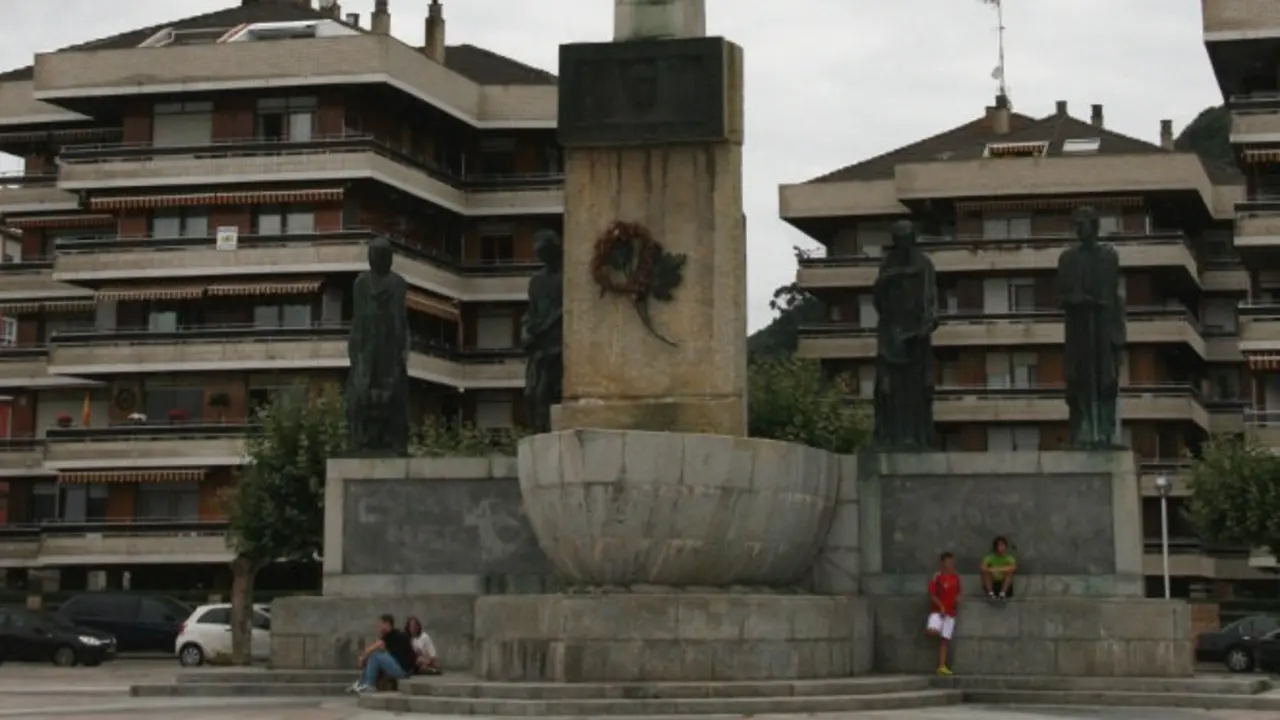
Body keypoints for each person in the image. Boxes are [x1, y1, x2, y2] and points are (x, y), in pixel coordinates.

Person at [347, 613, 416, 694]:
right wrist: (364, 658)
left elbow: (375, 647)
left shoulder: (399, 635)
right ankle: (362, 683)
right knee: (373, 656)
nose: (379, 628)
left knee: (376, 655)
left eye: (380, 625)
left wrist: (363, 657)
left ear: (387, 624)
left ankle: (369, 684)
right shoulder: (386, 637)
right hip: (395, 667)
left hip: (402, 671)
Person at [926, 551, 961, 676]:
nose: (950, 564)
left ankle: (942, 666)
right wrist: (941, 606)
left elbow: (959, 592)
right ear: (943, 563)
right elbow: (932, 594)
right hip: (937, 611)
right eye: (948, 561)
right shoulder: (937, 577)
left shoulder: (956, 577)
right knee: (932, 630)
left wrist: (958, 599)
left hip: (950, 613)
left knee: (945, 640)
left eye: (952, 561)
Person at [981, 535, 1017, 600]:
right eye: (1000, 545)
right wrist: (991, 570)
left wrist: (999, 569)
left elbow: (1014, 567)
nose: (1002, 548)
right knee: (986, 573)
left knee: (1009, 572)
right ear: (996, 547)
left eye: (1003, 545)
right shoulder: (990, 558)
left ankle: (1002, 593)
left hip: (1004, 582)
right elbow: (983, 568)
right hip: (993, 581)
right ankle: (990, 593)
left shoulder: (1009, 558)